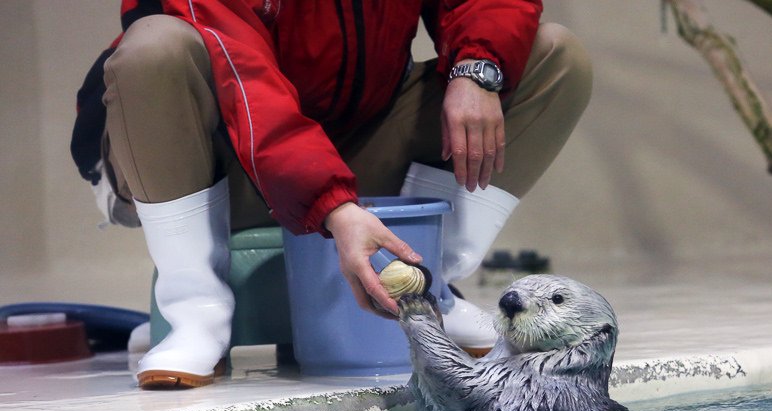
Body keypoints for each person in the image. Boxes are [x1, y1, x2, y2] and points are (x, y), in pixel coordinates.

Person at [70, 0, 592, 390]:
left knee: (553, 56)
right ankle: (195, 311)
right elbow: (248, 86)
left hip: (350, 132)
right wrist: (335, 208)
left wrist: (476, 71)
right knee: (154, 45)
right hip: (220, 151)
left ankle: (429, 281)